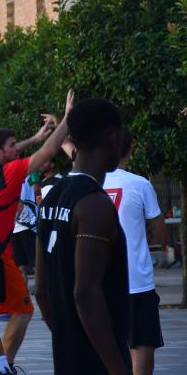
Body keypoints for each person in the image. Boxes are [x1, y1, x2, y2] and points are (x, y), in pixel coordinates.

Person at [0, 91, 73, 373]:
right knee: (24, 312)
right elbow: (49, 153)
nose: (19, 148)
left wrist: (36, 137)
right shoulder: (13, 171)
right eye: (13, 145)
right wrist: (67, 118)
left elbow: (17, 152)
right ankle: (4, 366)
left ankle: (1, 364)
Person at [36, 98, 131, 375]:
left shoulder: (52, 195)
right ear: (113, 138)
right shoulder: (94, 204)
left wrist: (67, 334)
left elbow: (42, 291)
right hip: (99, 359)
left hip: (68, 355)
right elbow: (85, 293)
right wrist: (117, 368)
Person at [103, 130, 167, 375]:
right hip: (136, 282)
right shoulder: (139, 183)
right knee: (141, 348)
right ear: (131, 148)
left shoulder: (87, 182)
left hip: (100, 282)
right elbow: (162, 236)